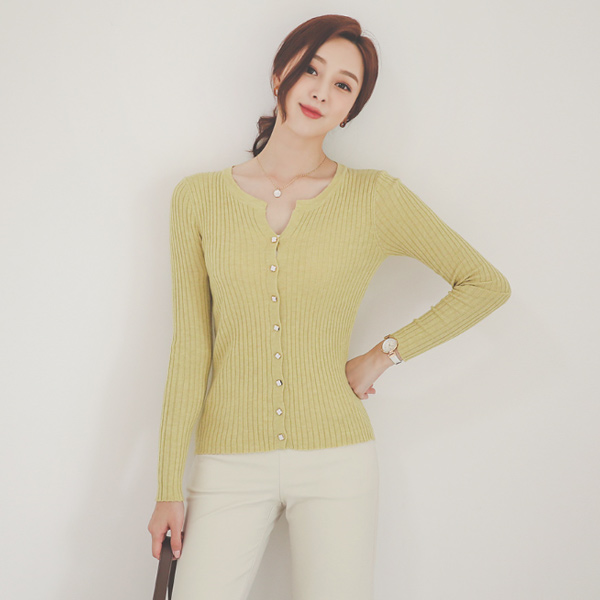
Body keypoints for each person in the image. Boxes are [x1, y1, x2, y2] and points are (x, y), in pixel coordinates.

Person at [147, 14, 511, 600]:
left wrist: (383, 354)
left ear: (350, 110)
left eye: (343, 85)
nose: (321, 90)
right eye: (311, 70)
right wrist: (168, 486)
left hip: (337, 461)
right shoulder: (198, 198)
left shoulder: (375, 197)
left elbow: (484, 283)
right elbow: (191, 348)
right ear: (279, 74)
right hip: (227, 463)